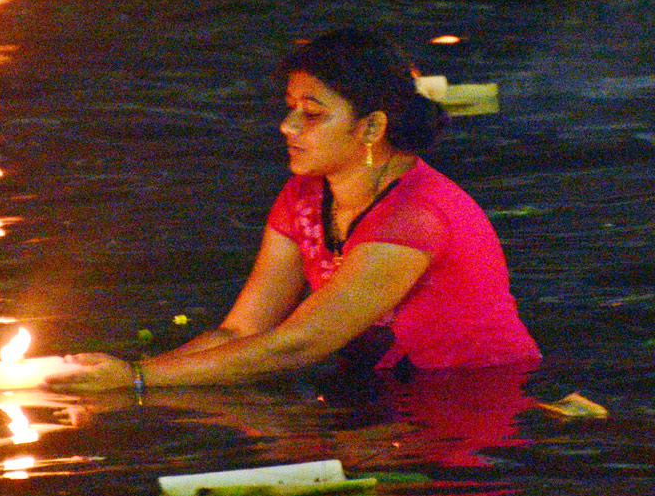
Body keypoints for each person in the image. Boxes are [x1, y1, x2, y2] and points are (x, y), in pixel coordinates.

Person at [48, 27, 541, 392]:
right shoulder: (304, 196)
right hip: (385, 393)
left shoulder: (413, 215)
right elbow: (242, 330)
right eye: (290, 108)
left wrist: (137, 380)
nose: (288, 126)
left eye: (312, 114)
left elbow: (302, 343)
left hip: (470, 402)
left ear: (372, 128)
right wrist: (123, 373)